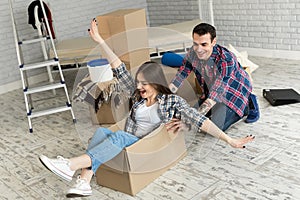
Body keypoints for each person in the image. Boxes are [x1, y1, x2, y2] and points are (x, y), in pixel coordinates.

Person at [38, 19, 255, 198]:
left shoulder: (172, 102)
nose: (140, 87)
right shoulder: (138, 94)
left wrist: (230, 141)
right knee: (102, 132)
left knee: (118, 138)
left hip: (143, 145)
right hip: (130, 137)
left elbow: (202, 121)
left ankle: (69, 165)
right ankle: (84, 180)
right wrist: (100, 40)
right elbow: (118, 66)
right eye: (139, 83)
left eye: (145, 83)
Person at [168, 23, 260, 131]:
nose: (199, 49)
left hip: (234, 91)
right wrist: (165, 94)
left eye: (204, 44)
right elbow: (181, 74)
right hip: (213, 89)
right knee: (188, 114)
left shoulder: (226, 59)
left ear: (213, 42)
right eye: (195, 44)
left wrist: (191, 122)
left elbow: (214, 96)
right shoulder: (192, 53)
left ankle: (248, 103)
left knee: (215, 126)